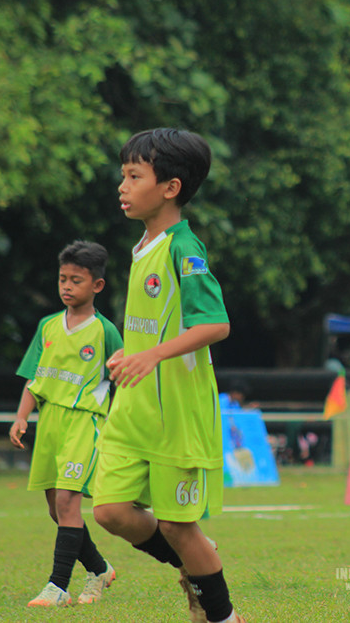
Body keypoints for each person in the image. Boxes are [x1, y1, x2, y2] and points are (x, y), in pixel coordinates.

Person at [91, 128, 244, 623]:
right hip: (133, 408)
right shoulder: (142, 246)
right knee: (110, 511)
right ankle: (197, 562)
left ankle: (222, 616)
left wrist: (152, 356)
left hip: (177, 410)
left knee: (181, 527)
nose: (123, 185)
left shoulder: (185, 248)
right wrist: (127, 356)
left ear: (170, 187)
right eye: (123, 176)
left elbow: (215, 324)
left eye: (134, 176)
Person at [9, 241, 122, 607]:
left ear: (97, 286)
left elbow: (122, 383)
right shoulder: (47, 327)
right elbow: (34, 377)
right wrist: (22, 416)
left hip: (84, 422)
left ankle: (57, 587)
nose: (67, 286)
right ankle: (100, 569)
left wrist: (118, 427)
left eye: (76, 280)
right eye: (62, 279)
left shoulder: (106, 332)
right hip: (50, 422)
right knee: (55, 509)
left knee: (68, 502)